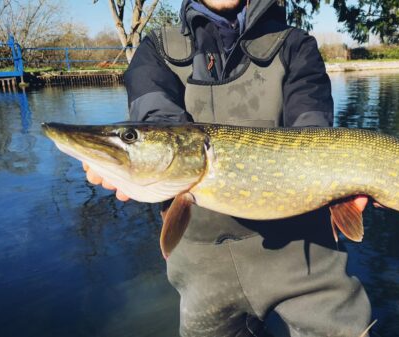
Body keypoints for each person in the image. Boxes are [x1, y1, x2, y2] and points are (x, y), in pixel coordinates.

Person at [84, 0, 372, 336]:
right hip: (202, 274)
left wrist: (342, 186)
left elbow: (313, 134)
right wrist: (131, 165)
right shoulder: (157, 50)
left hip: (306, 260)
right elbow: (158, 123)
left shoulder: (296, 45)